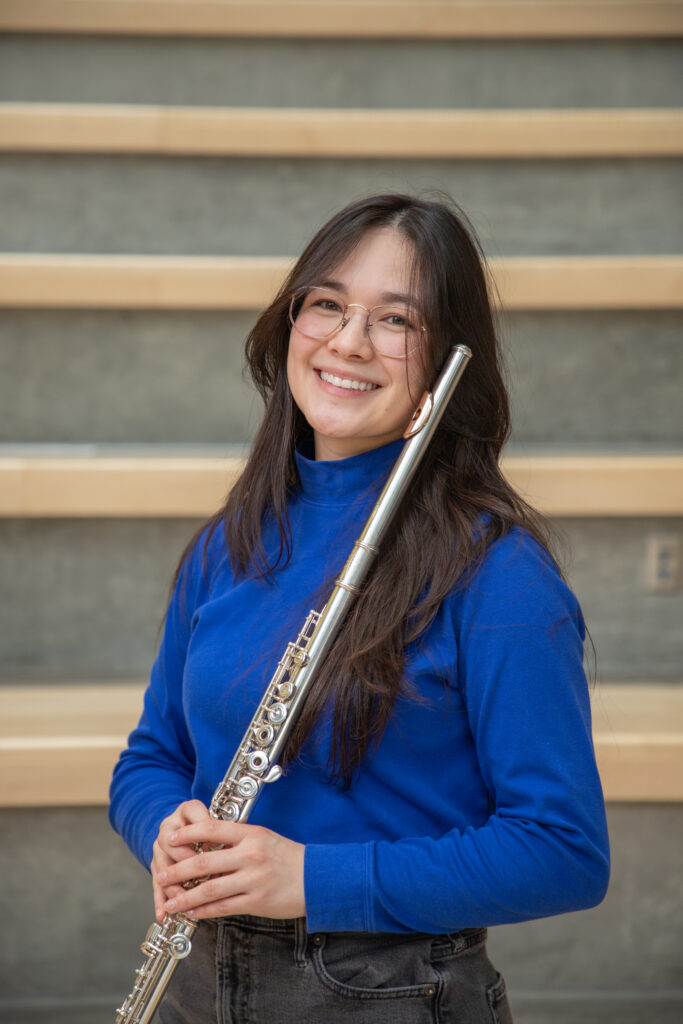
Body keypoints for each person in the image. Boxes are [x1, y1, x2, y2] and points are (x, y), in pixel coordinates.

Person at [109, 193, 610, 1023]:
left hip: (387, 992)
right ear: (291, 321)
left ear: (449, 365)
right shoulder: (233, 539)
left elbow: (562, 851)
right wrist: (164, 828)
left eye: (395, 321)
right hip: (199, 977)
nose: (348, 341)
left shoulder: (499, 576)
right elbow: (152, 755)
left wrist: (310, 879)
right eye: (329, 305)